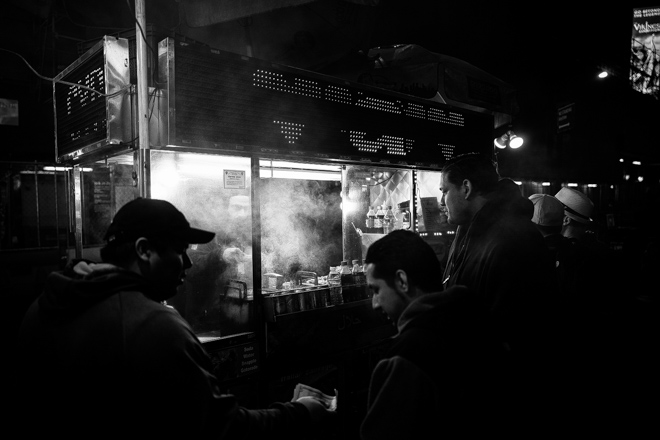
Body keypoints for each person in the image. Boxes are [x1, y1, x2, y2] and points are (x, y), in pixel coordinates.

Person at [15, 197, 335, 438]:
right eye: (180, 250)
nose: (187, 263)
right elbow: (221, 431)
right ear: (144, 250)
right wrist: (300, 413)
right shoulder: (151, 324)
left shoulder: (45, 304)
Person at [361, 230, 508, 439]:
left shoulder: (405, 357)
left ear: (402, 281)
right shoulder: (476, 321)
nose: (375, 304)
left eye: (376, 290)